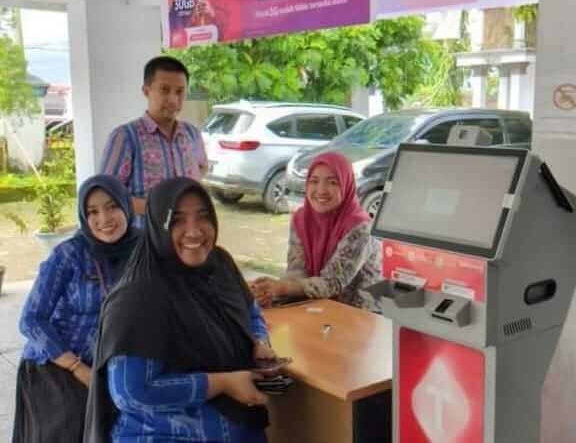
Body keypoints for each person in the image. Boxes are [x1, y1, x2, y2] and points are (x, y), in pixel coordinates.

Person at [84, 177, 276, 443]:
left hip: (240, 428)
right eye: (177, 220)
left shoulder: (219, 264)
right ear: (158, 225)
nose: (194, 232)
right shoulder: (137, 298)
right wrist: (223, 383)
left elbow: (250, 310)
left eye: (203, 216)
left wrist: (259, 341)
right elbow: (131, 392)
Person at [12, 175, 141, 443]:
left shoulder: (143, 250)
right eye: (92, 212)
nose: (104, 219)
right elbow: (31, 320)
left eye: (112, 206)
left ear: (126, 206)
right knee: (73, 425)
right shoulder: (69, 254)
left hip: (111, 364)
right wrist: (77, 367)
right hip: (56, 362)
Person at [251, 152, 382, 309]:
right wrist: (270, 292)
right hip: (315, 306)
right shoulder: (301, 219)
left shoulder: (360, 227)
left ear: (346, 185)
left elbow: (332, 282)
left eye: (332, 182)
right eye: (314, 181)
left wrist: (283, 288)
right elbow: (297, 271)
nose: (321, 190)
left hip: (359, 313)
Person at [100, 56, 207, 220]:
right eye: (165, 90)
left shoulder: (192, 134)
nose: (173, 100)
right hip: (143, 234)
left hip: (187, 232)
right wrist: (157, 207)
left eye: (180, 91)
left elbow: (202, 166)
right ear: (146, 91)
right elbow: (106, 195)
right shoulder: (125, 137)